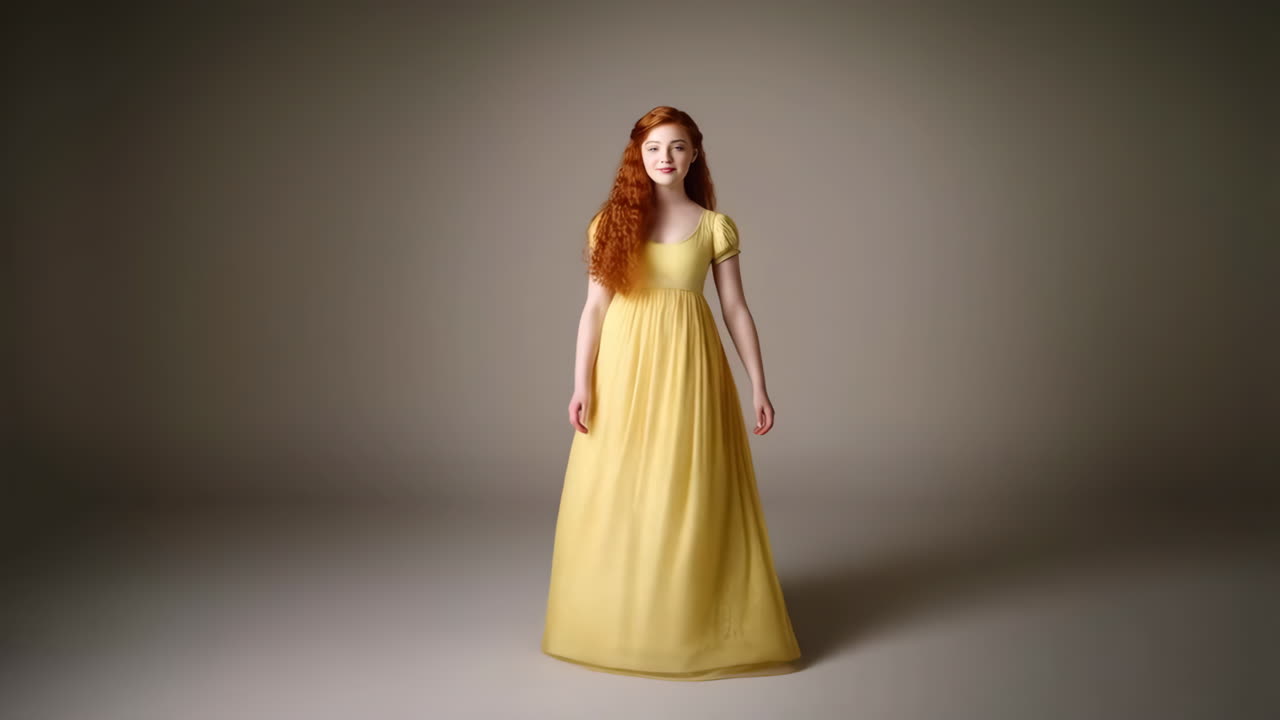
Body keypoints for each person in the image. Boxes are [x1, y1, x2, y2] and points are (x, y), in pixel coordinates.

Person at [541, 106, 802, 681]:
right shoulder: (610, 222)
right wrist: (581, 383)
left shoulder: (715, 225)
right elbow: (594, 309)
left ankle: (688, 621)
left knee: (687, 485)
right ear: (638, 153)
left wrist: (759, 384)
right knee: (620, 487)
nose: (666, 157)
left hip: (691, 368)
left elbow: (734, 307)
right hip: (624, 368)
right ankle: (619, 620)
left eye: (678, 147)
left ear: (694, 155)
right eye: (655, 147)